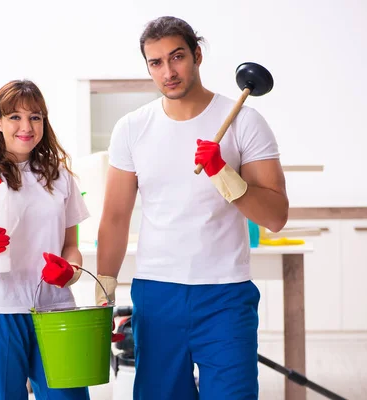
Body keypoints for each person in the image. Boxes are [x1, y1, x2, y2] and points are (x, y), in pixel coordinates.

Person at [95, 16, 289, 399]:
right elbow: (116, 218)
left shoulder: (245, 122)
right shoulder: (132, 128)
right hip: (157, 294)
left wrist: (225, 175)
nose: (168, 71)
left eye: (177, 56)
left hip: (225, 295)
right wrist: (106, 287)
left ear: (197, 55)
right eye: (156, 62)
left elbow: (276, 216)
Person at [0, 79, 92, 400]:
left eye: (35, 117)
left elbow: (71, 246)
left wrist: (70, 271)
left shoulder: (59, 177)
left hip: (55, 311)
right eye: (15, 117)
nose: (26, 126)